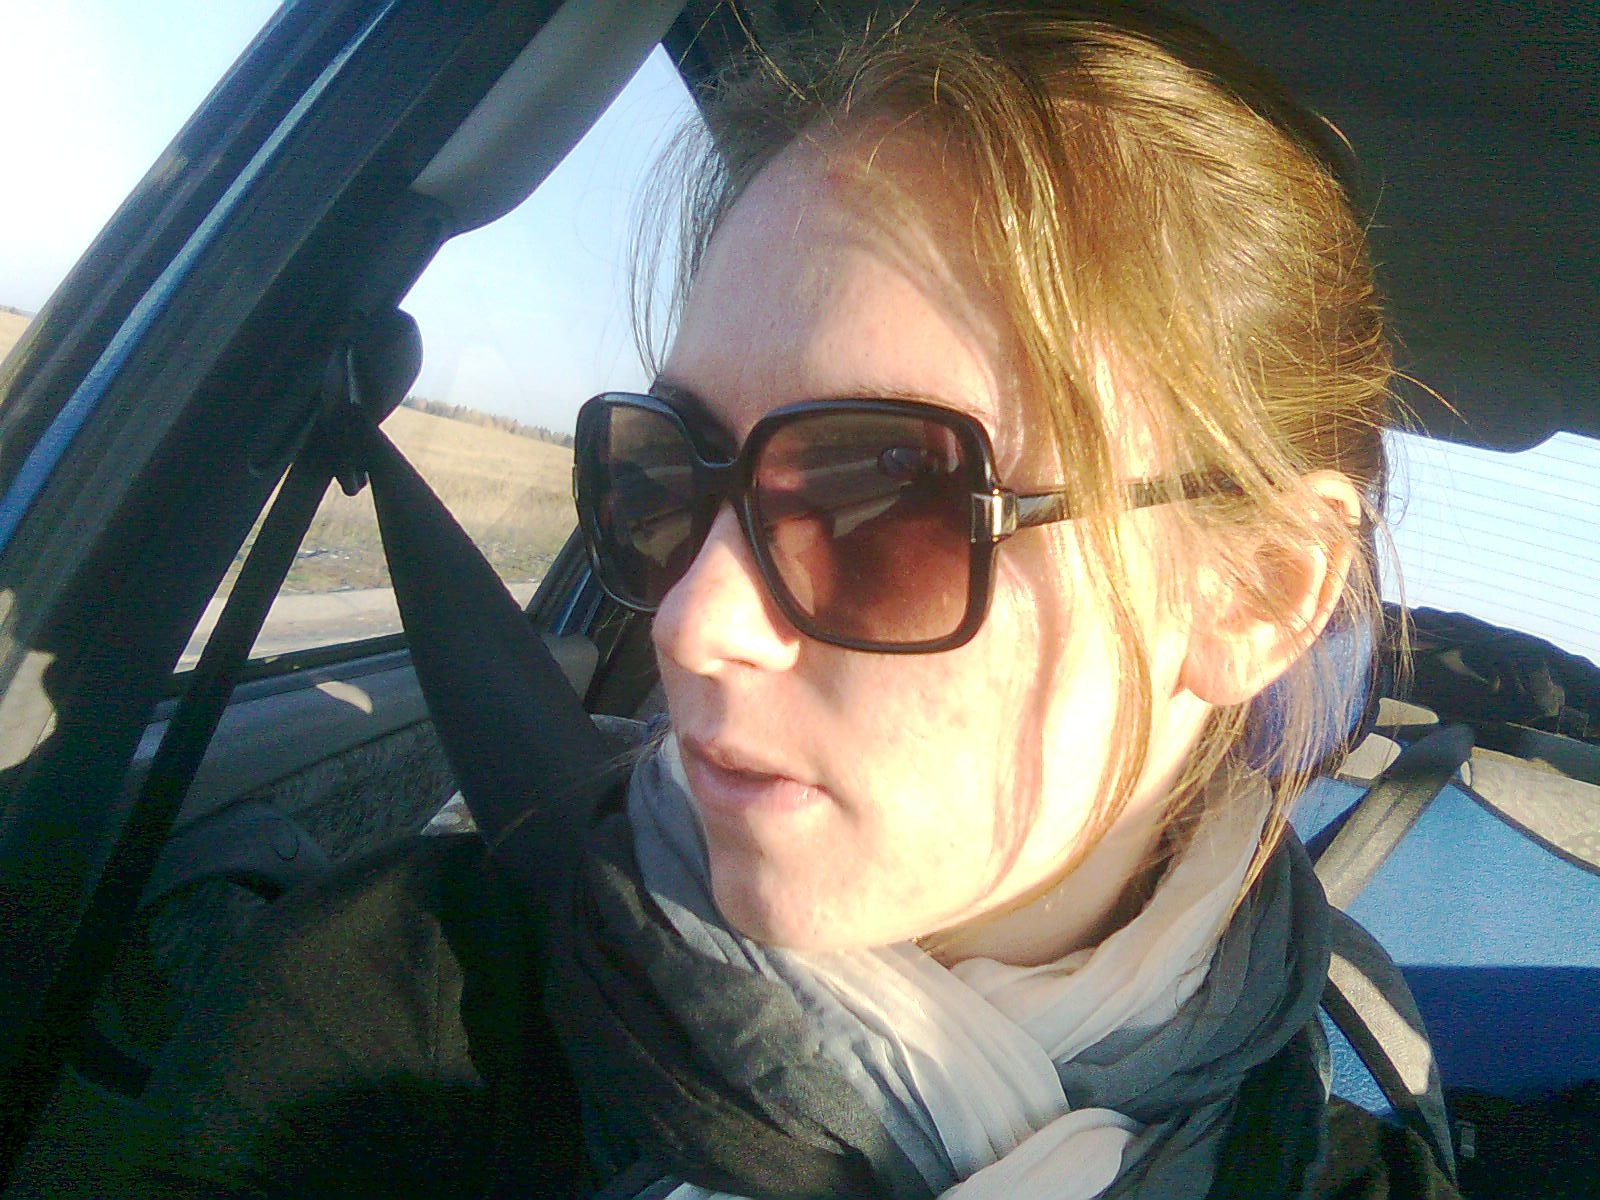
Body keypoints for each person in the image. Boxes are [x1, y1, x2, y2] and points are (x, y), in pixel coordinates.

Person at [134, 4, 1459, 1198]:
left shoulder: (1353, 1166)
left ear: (1252, 594)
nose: (690, 624)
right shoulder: (384, 1031)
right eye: (662, 474)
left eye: (889, 497)